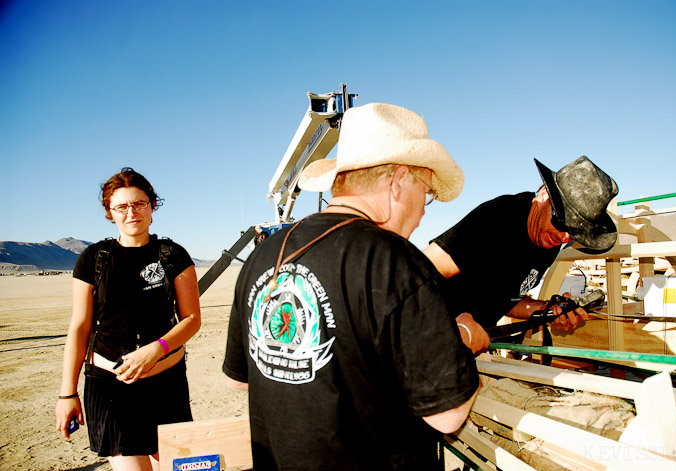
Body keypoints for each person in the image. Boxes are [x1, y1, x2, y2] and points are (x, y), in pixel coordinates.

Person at [223, 103, 480, 470]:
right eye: (426, 193)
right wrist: (465, 337)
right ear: (398, 181)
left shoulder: (264, 256)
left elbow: (241, 381)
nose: (424, 210)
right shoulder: (396, 261)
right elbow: (448, 415)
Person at [55, 168, 201, 471]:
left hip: (165, 384)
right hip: (110, 389)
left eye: (139, 203)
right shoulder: (94, 258)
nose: (131, 212)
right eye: (121, 206)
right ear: (110, 212)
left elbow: (191, 318)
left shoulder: (172, 255)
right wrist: (67, 393)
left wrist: (156, 348)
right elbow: (80, 326)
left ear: (152, 206)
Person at [423, 156, 619, 353]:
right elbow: (418, 272)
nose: (564, 237)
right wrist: (448, 331)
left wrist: (548, 310)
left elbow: (506, 301)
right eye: (561, 222)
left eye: (575, 232)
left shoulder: (548, 240)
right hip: (429, 341)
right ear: (544, 195)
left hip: (465, 348)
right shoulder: (497, 219)